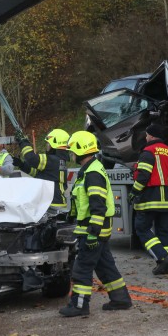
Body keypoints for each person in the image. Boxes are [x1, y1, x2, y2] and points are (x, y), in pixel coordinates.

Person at [59, 130, 132, 317]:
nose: (71, 154)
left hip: (92, 230)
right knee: (105, 266)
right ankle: (121, 299)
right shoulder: (91, 170)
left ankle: (79, 305)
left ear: (79, 149)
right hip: (94, 229)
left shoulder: (92, 173)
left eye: (72, 150)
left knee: (81, 268)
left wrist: (93, 232)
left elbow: (97, 206)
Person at [128, 122, 168, 275]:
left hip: (149, 199)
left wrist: (133, 192)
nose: (146, 137)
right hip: (167, 200)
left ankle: (162, 258)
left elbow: (143, 177)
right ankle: (165, 265)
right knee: (164, 232)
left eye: (147, 134)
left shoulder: (148, 151)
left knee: (142, 229)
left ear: (151, 135)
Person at [14, 128, 70, 210]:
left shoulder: (52, 160)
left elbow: (31, 158)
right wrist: (21, 164)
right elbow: (38, 174)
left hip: (52, 204)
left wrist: (23, 142)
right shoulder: (59, 160)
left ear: (54, 144)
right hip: (56, 202)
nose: (47, 146)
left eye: (48, 143)